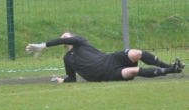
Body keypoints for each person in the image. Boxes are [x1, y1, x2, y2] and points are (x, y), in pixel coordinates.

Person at [26, 32, 185, 83]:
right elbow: (71, 78)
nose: (64, 38)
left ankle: (170, 65)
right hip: (105, 75)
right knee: (134, 71)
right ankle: (172, 70)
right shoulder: (67, 59)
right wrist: (60, 81)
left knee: (137, 53)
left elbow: (63, 39)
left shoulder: (80, 41)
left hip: (111, 59)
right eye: (63, 38)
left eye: (66, 36)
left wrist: (44, 44)